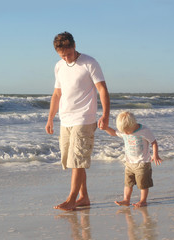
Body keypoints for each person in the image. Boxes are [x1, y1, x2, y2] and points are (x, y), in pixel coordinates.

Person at [45, 31, 110, 211]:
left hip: (84, 118)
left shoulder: (90, 63)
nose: (66, 58)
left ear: (74, 46)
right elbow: (57, 93)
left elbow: (102, 89)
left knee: (77, 160)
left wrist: (105, 114)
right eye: (62, 55)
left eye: (68, 53)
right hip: (65, 119)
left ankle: (72, 199)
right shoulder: (59, 66)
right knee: (71, 160)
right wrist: (50, 118)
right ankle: (84, 197)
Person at [102, 111, 162, 208]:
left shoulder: (144, 130)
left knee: (143, 184)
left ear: (133, 124)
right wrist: (105, 128)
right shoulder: (124, 131)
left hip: (142, 163)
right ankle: (126, 200)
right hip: (129, 163)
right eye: (123, 131)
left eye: (127, 131)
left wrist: (155, 155)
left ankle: (143, 201)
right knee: (128, 183)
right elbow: (113, 133)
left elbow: (154, 142)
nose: (125, 133)